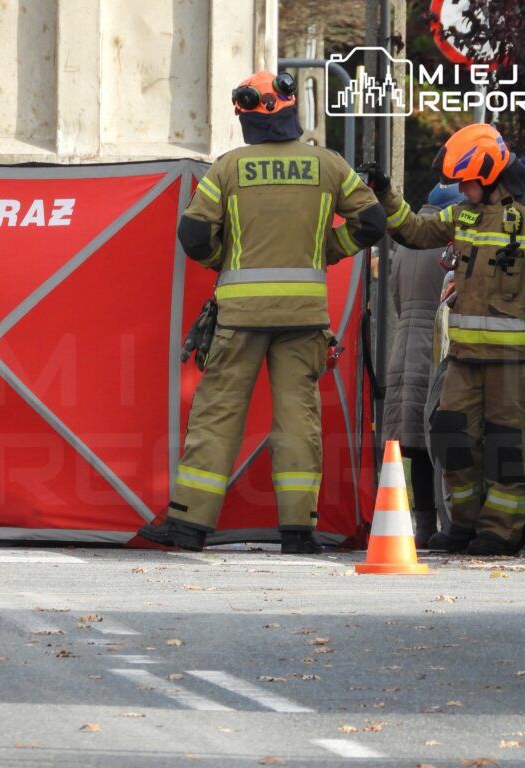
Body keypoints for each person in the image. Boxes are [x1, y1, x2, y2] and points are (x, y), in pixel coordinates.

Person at [137, 70, 386, 553]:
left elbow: (194, 235)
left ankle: (189, 526)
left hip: (240, 319)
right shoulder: (328, 164)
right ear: (291, 110)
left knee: (217, 415)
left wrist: (223, 260)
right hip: (305, 319)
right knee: (298, 420)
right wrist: (328, 250)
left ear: (246, 116)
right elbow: (372, 221)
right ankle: (298, 532)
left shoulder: (229, 168)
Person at [365, 123, 525, 556]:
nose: (461, 188)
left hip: (515, 359)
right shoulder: (463, 214)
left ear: (491, 174)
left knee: (506, 449)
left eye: (467, 180)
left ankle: (499, 532)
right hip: (465, 357)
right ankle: (463, 525)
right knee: (451, 438)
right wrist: (385, 193)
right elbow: (414, 231)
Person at [382, 183, 464, 548]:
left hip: (404, 347)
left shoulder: (406, 243)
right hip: (434, 347)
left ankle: (423, 524)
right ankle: (445, 522)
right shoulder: (447, 241)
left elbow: (396, 299)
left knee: (415, 445)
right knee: (438, 440)